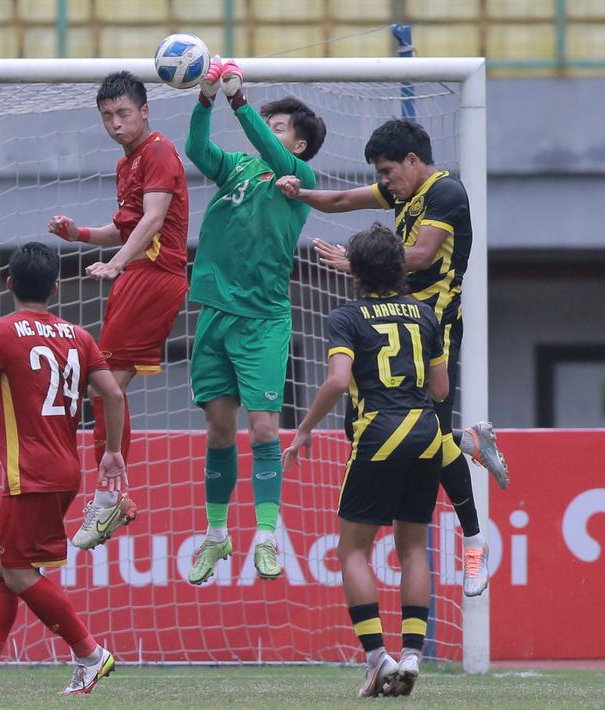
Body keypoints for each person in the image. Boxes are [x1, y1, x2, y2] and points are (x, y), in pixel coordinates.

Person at [276, 118, 507, 597]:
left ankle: (474, 541)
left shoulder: (446, 193)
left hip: (432, 327)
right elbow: (342, 200)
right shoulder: (403, 191)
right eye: (379, 174)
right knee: (357, 424)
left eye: (387, 171)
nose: (384, 182)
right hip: (393, 320)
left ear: (413, 161)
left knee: (431, 433)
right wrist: (300, 194)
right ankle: (465, 440)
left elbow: (421, 256)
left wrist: (358, 262)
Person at [0, 243, 125, 695]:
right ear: (55, 289)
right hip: (65, 469)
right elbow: (114, 395)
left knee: (18, 572)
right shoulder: (79, 336)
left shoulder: (1, 331)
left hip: (30, 474)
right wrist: (113, 452)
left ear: (8, 284)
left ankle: (90, 654)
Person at [283, 224, 449, 698]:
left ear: (354, 270)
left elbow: (338, 381)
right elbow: (440, 389)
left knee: (353, 550)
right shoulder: (424, 314)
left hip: (380, 433)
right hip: (426, 434)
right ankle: (412, 653)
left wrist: (305, 427)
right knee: (413, 547)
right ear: (400, 267)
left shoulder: (346, 317)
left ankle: (377, 657)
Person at [182, 58, 327, 584]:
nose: (268, 131)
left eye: (279, 126)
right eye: (268, 123)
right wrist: (205, 100)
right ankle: (216, 534)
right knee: (218, 431)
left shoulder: (300, 180)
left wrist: (239, 101)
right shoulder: (240, 168)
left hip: (263, 320)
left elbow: (267, 145)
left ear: (299, 145)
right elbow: (197, 150)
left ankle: (266, 537)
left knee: (263, 427)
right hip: (216, 312)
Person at [47, 71, 189, 548]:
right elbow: (125, 227)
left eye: (123, 113)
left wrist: (117, 263)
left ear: (144, 111)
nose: (115, 123)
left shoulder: (159, 152)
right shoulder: (127, 162)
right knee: (105, 388)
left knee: (103, 385)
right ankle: (111, 495)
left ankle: (109, 496)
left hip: (153, 276)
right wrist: (79, 235)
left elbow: (153, 219)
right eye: (107, 116)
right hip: (138, 275)